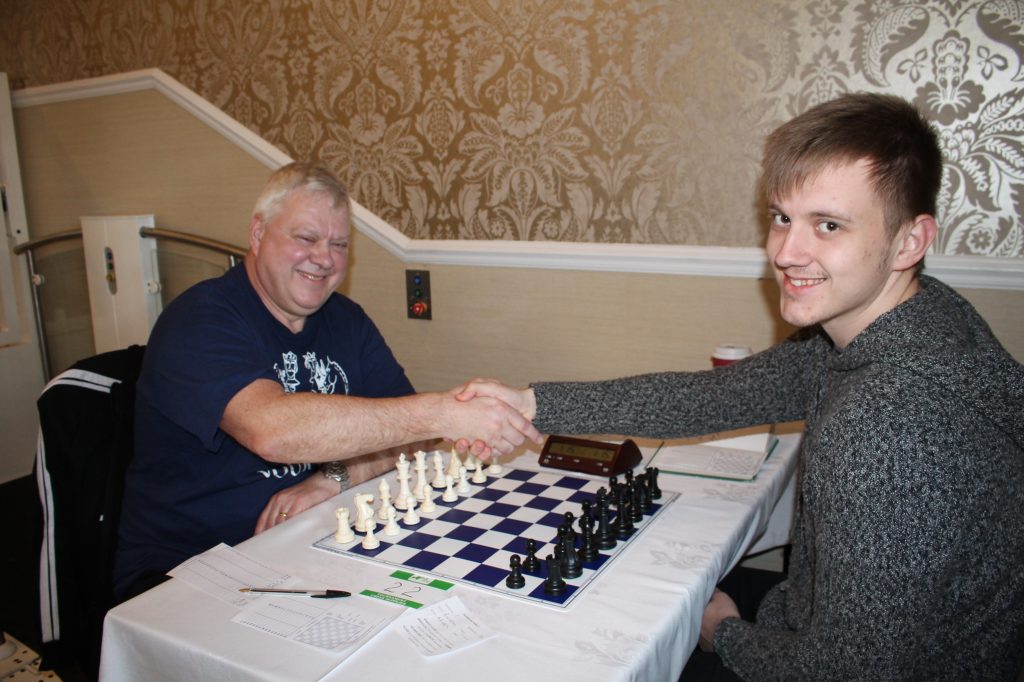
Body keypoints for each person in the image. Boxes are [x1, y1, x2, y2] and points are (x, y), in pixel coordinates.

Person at [458, 93, 1024, 680]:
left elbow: (847, 673)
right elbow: (713, 396)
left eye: (828, 225)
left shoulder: (887, 422)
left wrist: (721, 632)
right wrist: (533, 402)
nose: (786, 252)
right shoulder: (918, 320)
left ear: (910, 241)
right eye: (782, 217)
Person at [114, 162, 540, 601]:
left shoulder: (346, 319)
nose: (325, 258)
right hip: (197, 564)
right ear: (258, 234)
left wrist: (336, 476)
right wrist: (441, 412)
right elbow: (274, 432)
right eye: (306, 238)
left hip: (312, 544)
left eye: (339, 244)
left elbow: (415, 437)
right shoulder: (199, 319)